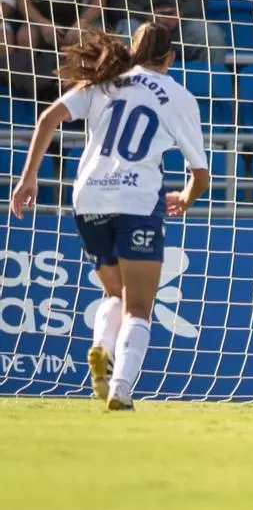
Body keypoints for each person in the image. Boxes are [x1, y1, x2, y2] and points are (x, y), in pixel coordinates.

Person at [9, 23, 211, 411]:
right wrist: (185, 198)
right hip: (137, 201)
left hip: (89, 199)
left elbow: (47, 117)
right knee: (138, 306)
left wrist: (28, 178)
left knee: (113, 293)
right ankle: (120, 387)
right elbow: (200, 175)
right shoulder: (180, 97)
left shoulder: (104, 80)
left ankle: (102, 347)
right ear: (169, 57)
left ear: (134, 51)